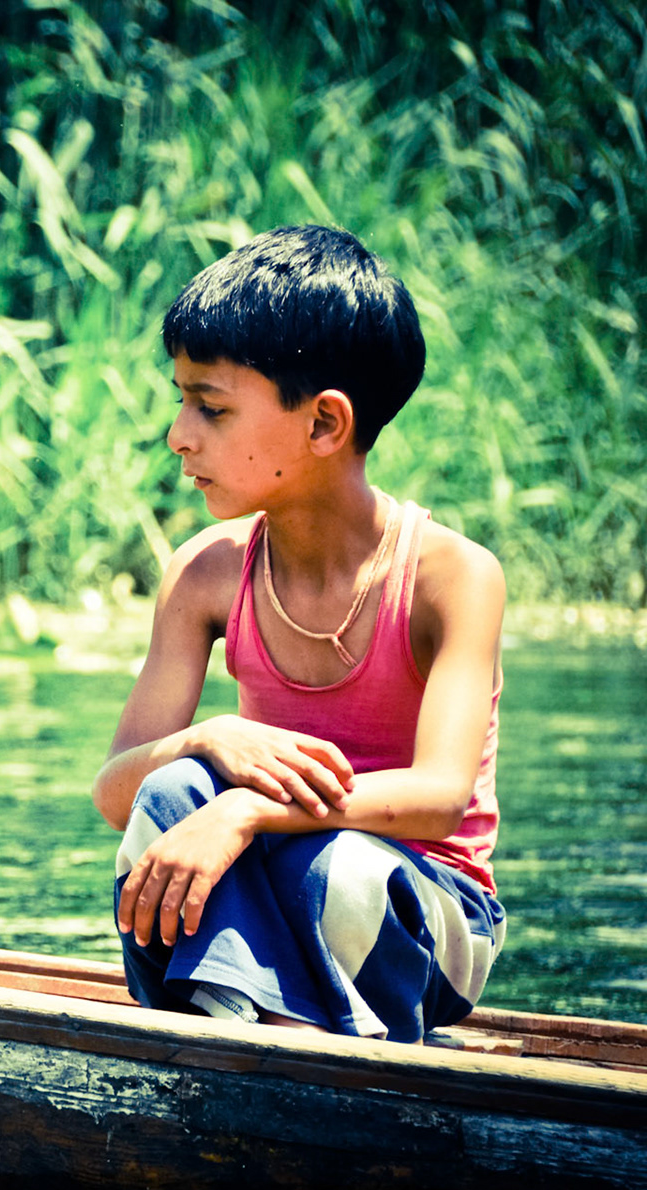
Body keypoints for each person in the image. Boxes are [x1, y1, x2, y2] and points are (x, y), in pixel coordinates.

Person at [92, 224, 505, 1041]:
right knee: (171, 796)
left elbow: (438, 799)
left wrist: (246, 810)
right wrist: (210, 738)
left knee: (338, 864)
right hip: (267, 897)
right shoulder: (205, 574)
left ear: (324, 425)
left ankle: (268, 1023)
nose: (180, 433)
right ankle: (238, 1020)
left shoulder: (452, 577)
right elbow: (116, 792)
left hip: (424, 910)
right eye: (181, 399)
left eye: (209, 407)